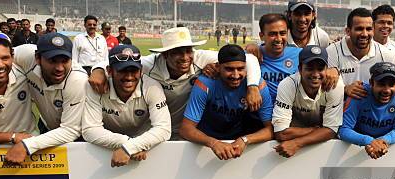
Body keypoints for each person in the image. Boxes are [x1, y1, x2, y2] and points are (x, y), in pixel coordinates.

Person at [88, 27, 263, 140]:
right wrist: (97, 70)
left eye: (188, 51)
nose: (186, 57)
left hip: (190, 131)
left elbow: (249, 59)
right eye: (178, 52)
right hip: (154, 130)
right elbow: (116, 63)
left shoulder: (201, 58)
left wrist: (252, 87)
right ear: (165, 54)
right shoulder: (150, 64)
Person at [0, 33, 89, 163]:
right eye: (52, 61)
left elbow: (70, 130)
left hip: (78, 137)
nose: (59, 68)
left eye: (65, 61)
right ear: (37, 58)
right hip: (46, 126)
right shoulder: (26, 54)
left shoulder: (77, 80)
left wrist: (27, 145)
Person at [83, 45, 171, 167]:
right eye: (122, 71)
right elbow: (90, 130)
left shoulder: (152, 87)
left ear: (141, 71)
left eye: (133, 71)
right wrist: (129, 144)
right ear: (109, 71)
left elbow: (164, 128)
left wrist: (131, 147)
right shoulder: (96, 87)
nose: (129, 77)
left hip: (143, 146)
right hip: (112, 146)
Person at [180, 44, 272, 160]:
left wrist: (245, 140)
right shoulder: (205, 83)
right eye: (229, 69)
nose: (236, 75)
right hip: (207, 145)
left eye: (240, 69)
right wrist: (214, 143)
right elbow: (186, 129)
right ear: (218, 67)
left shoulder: (258, 87)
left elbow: (271, 129)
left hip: (238, 143)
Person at [272, 45, 344, 157]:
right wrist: (317, 131)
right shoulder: (288, 85)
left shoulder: (336, 86)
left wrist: (297, 143)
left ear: (327, 69)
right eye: (309, 68)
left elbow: (331, 131)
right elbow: (281, 133)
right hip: (313, 139)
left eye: (320, 69)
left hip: (312, 144)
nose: (315, 74)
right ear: (300, 69)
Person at [338, 62, 395, 159]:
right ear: (371, 82)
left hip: (385, 149)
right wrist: (369, 141)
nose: (387, 90)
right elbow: (344, 130)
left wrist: (382, 141)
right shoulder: (359, 93)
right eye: (381, 84)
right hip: (355, 152)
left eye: (391, 85)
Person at [326, 8, 395, 98]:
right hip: (341, 110)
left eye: (368, 29)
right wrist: (344, 89)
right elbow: (321, 89)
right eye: (359, 29)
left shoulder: (386, 55)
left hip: (372, 110)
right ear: (348, 31)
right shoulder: (331, 52)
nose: (364, 34)